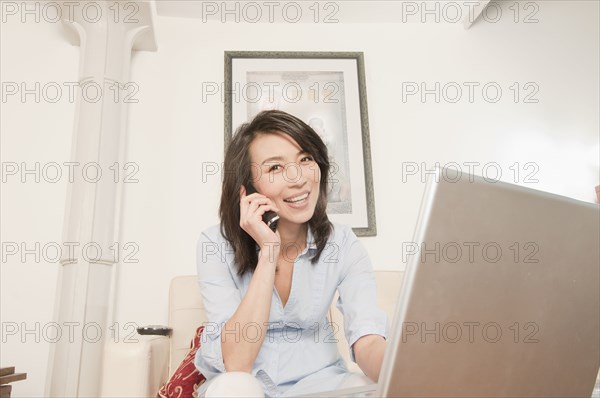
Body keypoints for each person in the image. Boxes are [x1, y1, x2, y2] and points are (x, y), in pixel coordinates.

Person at [194, 110, 388, 397]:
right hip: (246, 384)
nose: (298, 179)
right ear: (246, 190)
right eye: (275, 168)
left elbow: (368, 339)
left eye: (305, 159)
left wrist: (414, 376)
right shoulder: (214, 244)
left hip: (322, 384)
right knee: (233, 388)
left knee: (366, 388)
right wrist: (269, 252)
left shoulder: (343, 244)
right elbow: (237, 361)